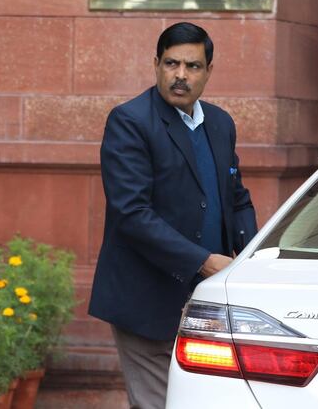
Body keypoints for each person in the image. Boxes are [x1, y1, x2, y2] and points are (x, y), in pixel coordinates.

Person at [88, 22, 258, 409]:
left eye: (193, 66)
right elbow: (131, 213)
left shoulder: (220, 123)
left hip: (212, 297)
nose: (181, 76)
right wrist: (203, 262)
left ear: (209, 71)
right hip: (147, 298)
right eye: (172, 63)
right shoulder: (130, 121)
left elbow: (236, 198)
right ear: (156, 65)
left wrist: (248, 258)